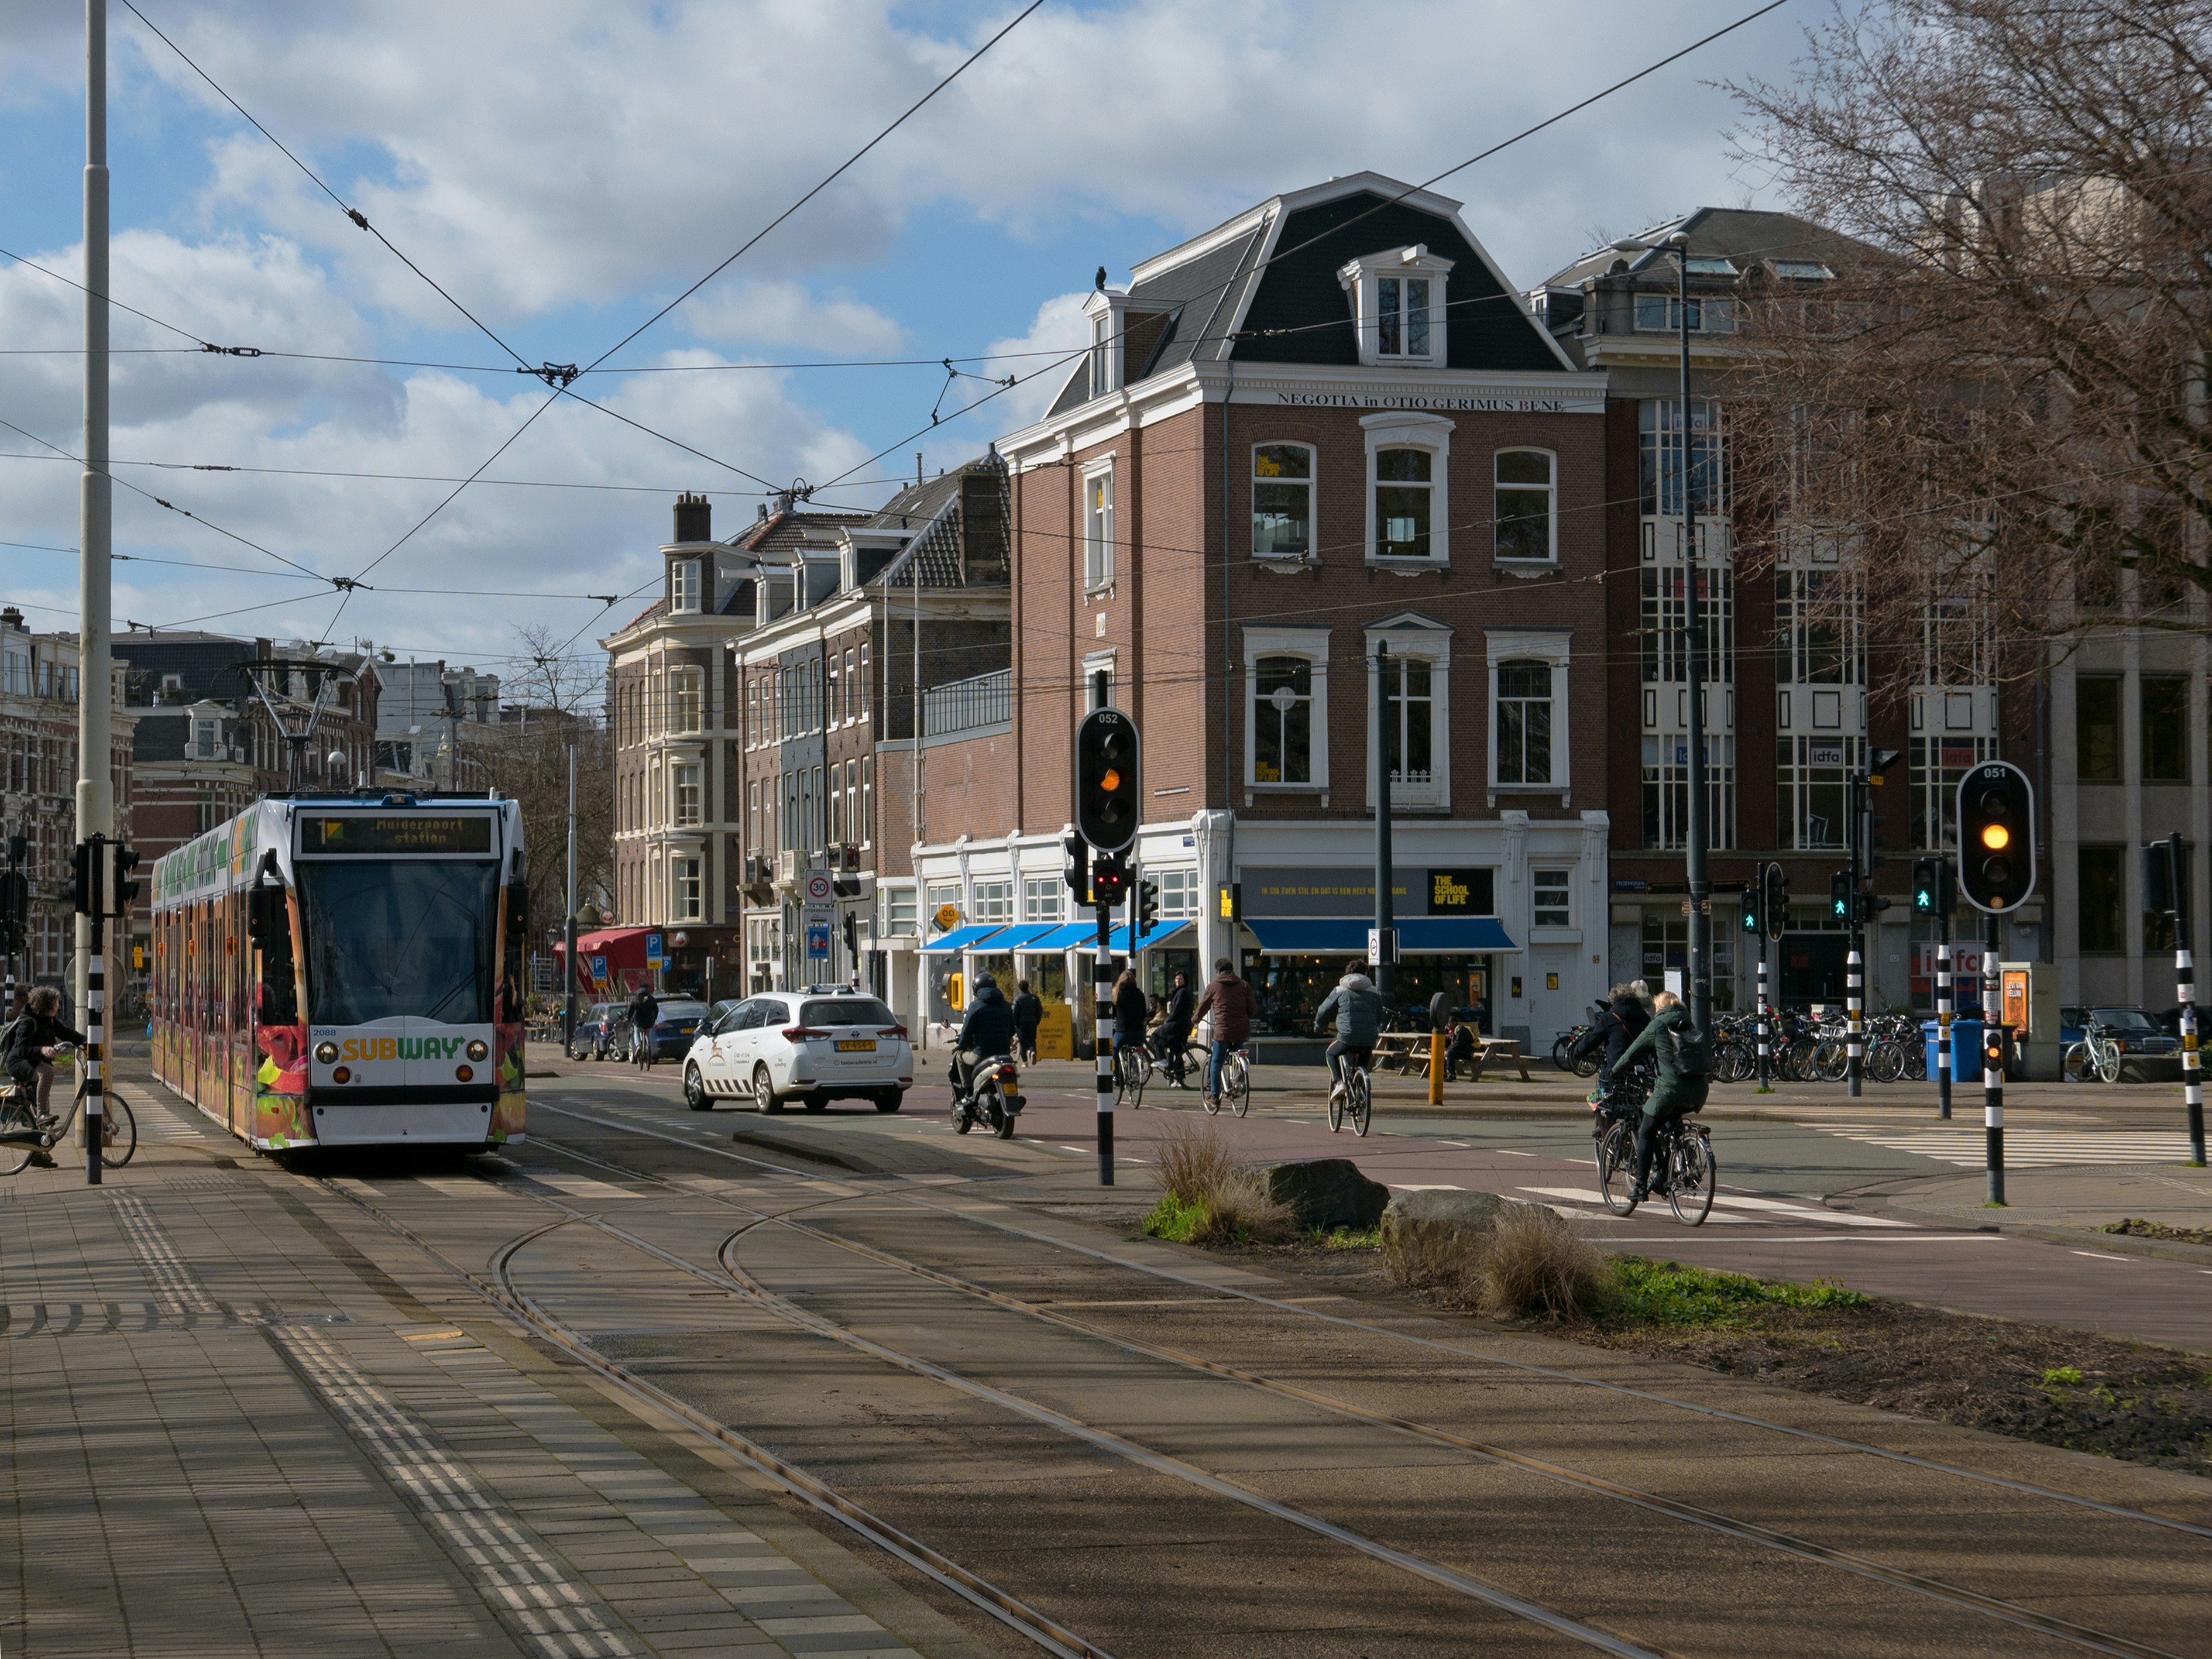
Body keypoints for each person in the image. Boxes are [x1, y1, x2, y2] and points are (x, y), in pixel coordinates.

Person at [1608, 989, 1710, 1201]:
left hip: (1671, 1088)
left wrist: (1614, 1072)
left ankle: (1641, 1188)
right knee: (1668, 1124)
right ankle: (1667, 1171)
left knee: (1646, 1131)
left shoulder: (1658, 1024)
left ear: (1660, 1007)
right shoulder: (1689, 1023)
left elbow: (1633, 1053)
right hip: (1699, 1089)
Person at [4, 984, 87, 1127]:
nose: (58, 1006)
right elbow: (22, 1050)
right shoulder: (28, 1022)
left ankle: (40, 1142)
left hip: (33, 1062)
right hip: (18, 1062)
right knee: (47, 1072)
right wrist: (42, 1050)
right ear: (47, 1005)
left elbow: (66, 1033)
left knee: (43, 1092)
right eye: (56, 1003)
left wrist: (87, 1040)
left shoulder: (50, 1020)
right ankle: (42, 1114)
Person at [1191, 958, 1256, 1108]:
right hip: (1241, 1030)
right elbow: (1253, 1010)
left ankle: (1215, 1096)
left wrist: (1195, 1020)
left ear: (1218, 972)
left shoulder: (1214, 986)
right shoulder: (1244, 985)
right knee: (1238, 1053)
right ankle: (1239, 1081)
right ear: (1232, 970)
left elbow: (1203, 1007)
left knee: (1216, 1061)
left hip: (1223, 1031)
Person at [1313, 967, 1382, 1104]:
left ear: (1348, 973)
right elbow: (1379, 1017)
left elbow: (1323, 1011)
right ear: (1365, 974)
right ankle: (1361, 1092)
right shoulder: (1374, 992)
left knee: (1331, 1053)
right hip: (1369, 1038)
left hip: (1347, 1037)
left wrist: (1319, 1027)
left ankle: (1339, 1083)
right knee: (1363, 1062)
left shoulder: (1340, 990)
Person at [1578, 981, 1651, 1102]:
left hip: (1614, 1072)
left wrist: (1578, 1052)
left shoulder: (1608, 1018)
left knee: (1597, 1099)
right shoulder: (1644, 1017)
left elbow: (1593, 1039)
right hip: (1639, 1071)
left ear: (1614, 1000)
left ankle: (1602, 1119)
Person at [950, 977, 1017, 1100]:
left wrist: (962, 1045)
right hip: (1004, 1055)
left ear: (976, 989)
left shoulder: (976, 1005)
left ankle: (969, 1091)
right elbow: (1013, 1029)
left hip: (982, 1054)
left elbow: (967, 1030)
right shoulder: (1006, 1005)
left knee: (960, 1057)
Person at [1151, 971, 1196, 1081]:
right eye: (1176, 979)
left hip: (1178, 1024)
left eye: (1180, 979)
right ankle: (1179, 1079)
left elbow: (1177, 1010)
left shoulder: (1182, 992)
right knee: (1177, 1051)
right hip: (1183, 1025)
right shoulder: (1181, 992)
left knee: (1156, 1036)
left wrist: (1167, 1021)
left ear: (1185, 981)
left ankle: (1162, 1059)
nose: (1178, 981)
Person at [1011, 980, 1042, 1064]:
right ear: (1028, 987)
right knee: (1032, 1040)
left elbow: (1014, 1013)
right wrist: (1037, 1021)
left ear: (1020, 988)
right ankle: (1032, 1052)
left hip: (1021, 1024)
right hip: (1032, 1022)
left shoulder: (1018, 1000)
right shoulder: (1035, 998)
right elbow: (1039, 1011)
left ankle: (1025, 1061)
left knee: (1022, 1042)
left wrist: (1015, 1024)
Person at [626, 983, 660, 1060]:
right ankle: (649, 1051)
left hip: (638, 1020)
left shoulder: (636, 997)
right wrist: (654, 1019)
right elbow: (656, 1009)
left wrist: (629, 1019)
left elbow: (630, 1010)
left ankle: (638, 1046)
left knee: (636, 1032)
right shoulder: (651, 998)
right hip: (649, 1020)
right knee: (648, 1035)